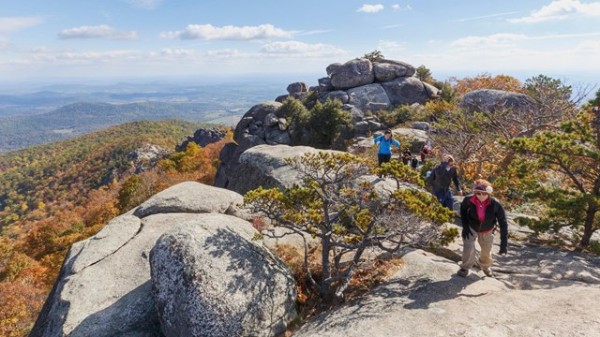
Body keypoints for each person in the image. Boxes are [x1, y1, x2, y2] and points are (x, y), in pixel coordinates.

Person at [457, 179, 508, 278]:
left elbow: (503, 223)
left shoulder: (495, 204)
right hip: (472, 227)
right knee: (468, 247)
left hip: (487, 229)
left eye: (484, 194)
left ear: (488, 193)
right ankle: (465, 267)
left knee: (486, 251)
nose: (481, 196)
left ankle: (485, 266)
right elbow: (463, 212)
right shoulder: (468, 200)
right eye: (478, 193)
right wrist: (466, 227)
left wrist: (504, 244)